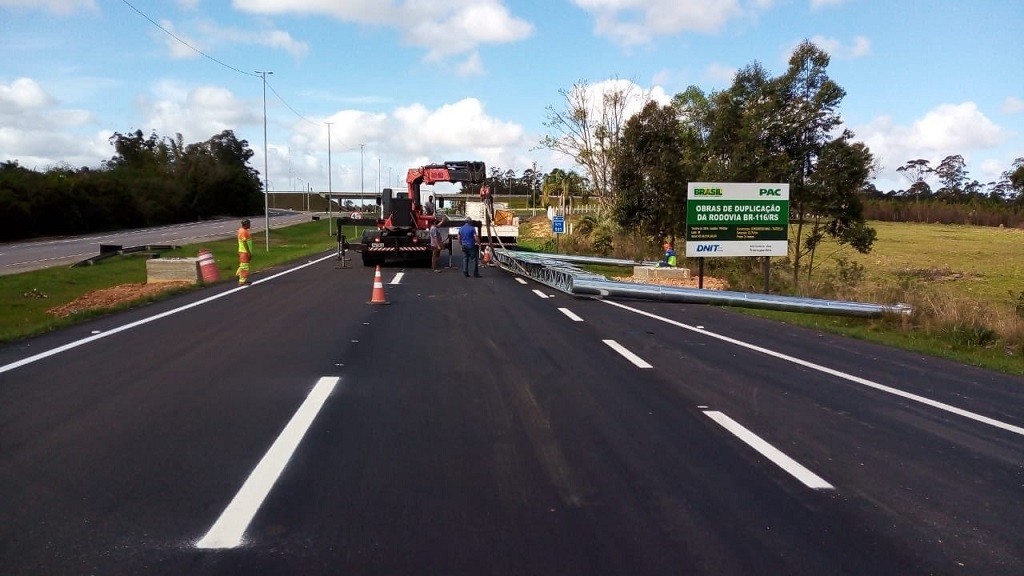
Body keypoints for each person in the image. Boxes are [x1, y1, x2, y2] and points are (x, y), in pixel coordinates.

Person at [236, 218, 253, 285]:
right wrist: (248, 252)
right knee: (245, 267)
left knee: (243, 265)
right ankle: (242, 281)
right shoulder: (243, 231)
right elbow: (244, 242)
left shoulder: (242, 230)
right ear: (246, 224)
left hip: (243, 251)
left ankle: (238, 275)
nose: (250, 225)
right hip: (244, 251)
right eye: (249, 224)